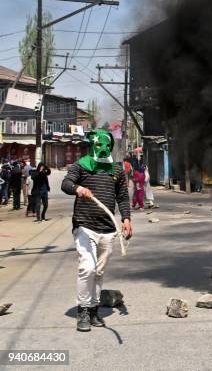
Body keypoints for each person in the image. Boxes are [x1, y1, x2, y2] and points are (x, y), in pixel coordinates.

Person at [61, 129, 132, 332]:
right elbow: (66, 183)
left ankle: (93, 309)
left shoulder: (117, 170)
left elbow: (123, 197)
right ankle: (83, 310)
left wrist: (126, 219)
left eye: (106, 145)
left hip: (108, 229)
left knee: (99, 271)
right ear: (93, 145)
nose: (102, 149)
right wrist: (78, 189)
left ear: (110, 146)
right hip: (84, 226)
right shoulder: (81, 165)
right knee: (88, 268)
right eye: (99, 145)